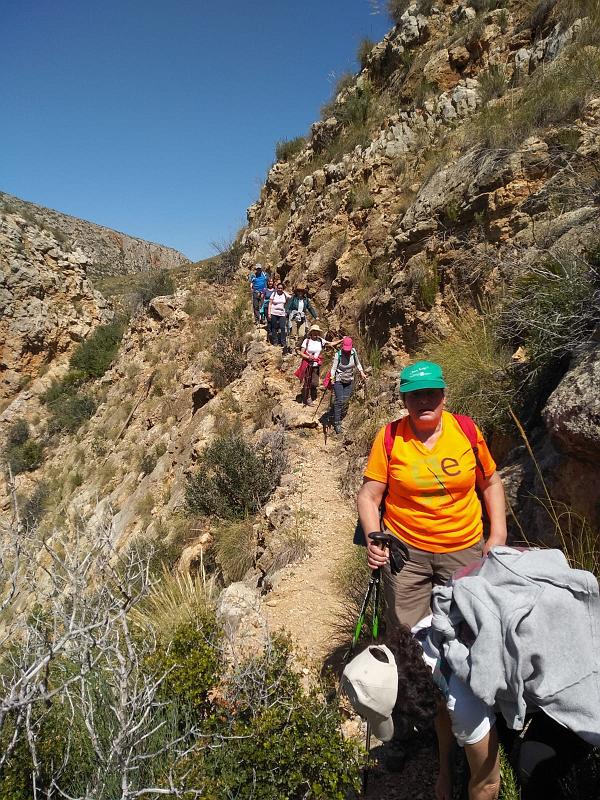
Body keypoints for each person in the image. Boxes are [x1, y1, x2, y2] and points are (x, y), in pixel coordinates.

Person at [356, 360, 507, 632]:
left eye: (431, 393)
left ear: (444, 397)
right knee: (408, 633)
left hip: (463, 548)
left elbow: (490, 483)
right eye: (415, 394)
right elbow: (369, 496)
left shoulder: (466, 431)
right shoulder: (390, 437)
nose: (424, 400)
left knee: (465, 628)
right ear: (404, 400)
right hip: (405, 553)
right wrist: (373, 540)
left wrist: (498, 535)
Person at [329, 336, 367, 434]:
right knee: (339, 400)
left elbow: (357, 363)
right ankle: (337, 422)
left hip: (349, 380)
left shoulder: (353, 352)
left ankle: (335, 413)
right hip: (339, 380)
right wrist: (332, 377)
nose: (347, 351)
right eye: (345, 349)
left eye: (348, 349)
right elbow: (333, 368)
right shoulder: (338, 355)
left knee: (345, 400)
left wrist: (362, 372)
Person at [298, 324, 341, 406]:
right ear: (311, 332)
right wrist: (308, 357)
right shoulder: (306, 341)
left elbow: (331, 344)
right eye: (314, 331)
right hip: (307, 364)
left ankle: (307, 393)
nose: (315, 333)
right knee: (308, 381)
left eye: (317, 332)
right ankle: (308, 398)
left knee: (314, 383)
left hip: (316, 365)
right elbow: (301, 353)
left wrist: (341, 340)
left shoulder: (320, 340)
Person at [286, 284, 318, 351]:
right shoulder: (293, 298)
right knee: (293, 334)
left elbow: (310, 308)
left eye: (301, 291)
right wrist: (289, 313)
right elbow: (288, 307)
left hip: (302, 318)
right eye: (299, 291)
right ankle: (292, 348)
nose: (300, 293)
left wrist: (315, 316)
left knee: (302, 334)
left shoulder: (305, 299)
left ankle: (297, 347)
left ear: (303, 292)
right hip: (294, 317)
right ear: (296, 292)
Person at [267, 280, 291, 349]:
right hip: (273, 312)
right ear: (276, 288)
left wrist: (286, 310)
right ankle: (275, 341)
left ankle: (283, 342)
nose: (280, 289)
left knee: (282, 327)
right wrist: (269, 313)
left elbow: (290, 298)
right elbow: (270, 303)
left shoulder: (284, 294)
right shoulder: (274, 294)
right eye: (279, 288)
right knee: (274, 327)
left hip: (282, 313)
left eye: (281, 288)